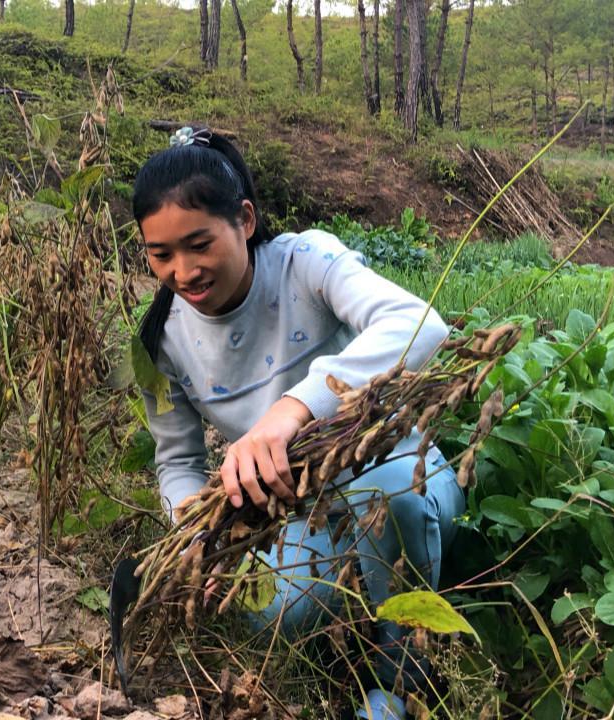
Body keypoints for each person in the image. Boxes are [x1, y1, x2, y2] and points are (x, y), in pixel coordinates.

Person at [133, 125, 465, 719]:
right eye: (161, 255)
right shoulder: (160, 344)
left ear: (245, 219)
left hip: (393, 467)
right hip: (295, 512)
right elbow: (177, 462)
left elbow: (420, 324)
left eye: (199, 244)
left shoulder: (306, 261)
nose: (183, 272)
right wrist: (196, 535)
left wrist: (296, 407)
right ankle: (353, 608)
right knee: (278, 620)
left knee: (393, 499)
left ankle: (401, 684)